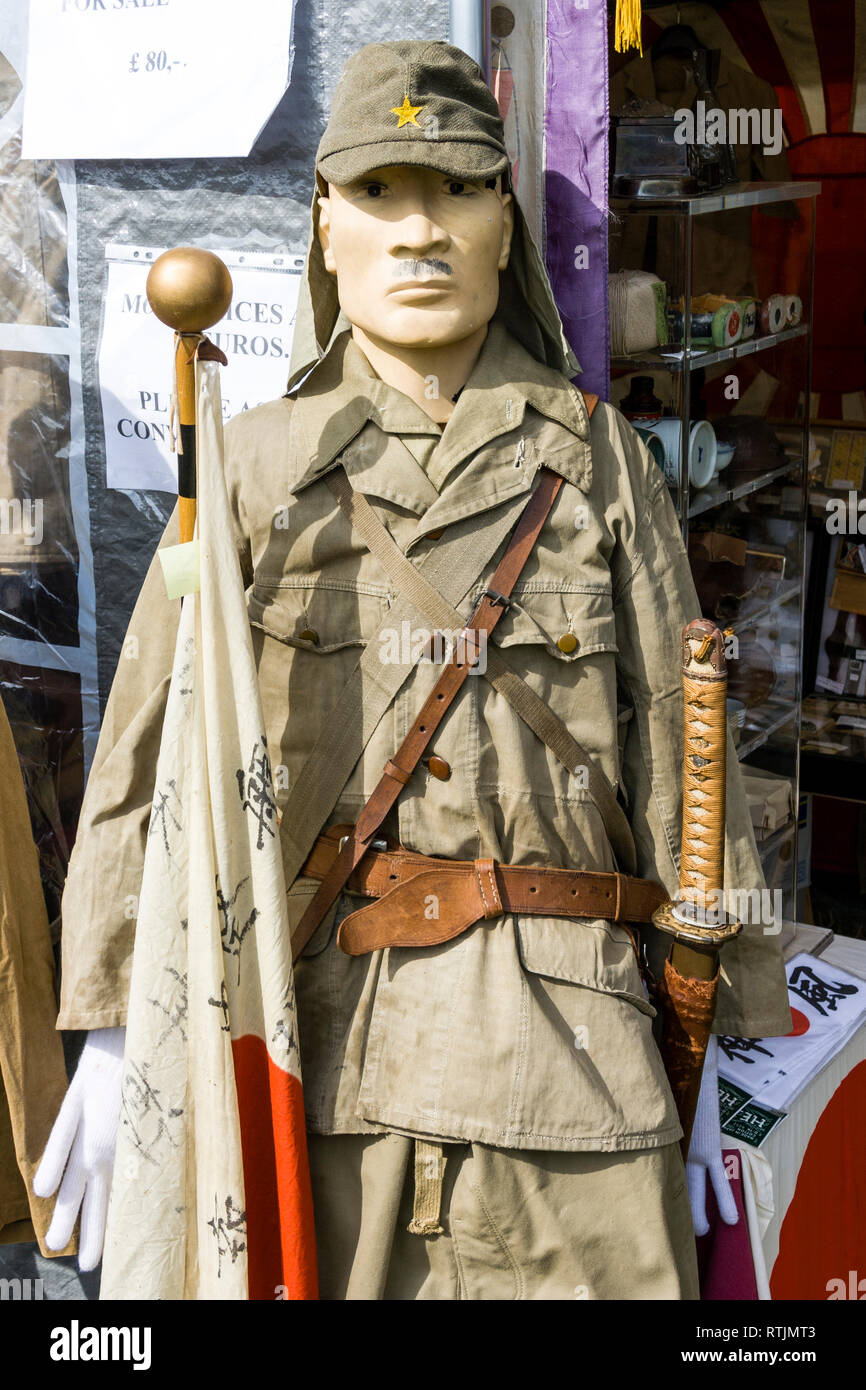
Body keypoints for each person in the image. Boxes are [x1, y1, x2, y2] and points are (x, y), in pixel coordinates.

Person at [35, 39, 791, 1299]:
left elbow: (683, 756)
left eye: (453, 190)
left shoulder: (602, 468)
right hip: (322, 1066)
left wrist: (731, 1045)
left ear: (507, 222)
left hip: (577, 1081)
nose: (418, 232)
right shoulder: (252, 469)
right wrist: (118, 1034)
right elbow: (145, 769)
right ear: (323, 226)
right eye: (377, 194)